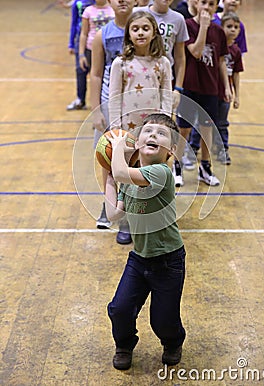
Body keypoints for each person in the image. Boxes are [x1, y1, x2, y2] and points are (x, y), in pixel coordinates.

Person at [105, 113, 186, 370]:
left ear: (171, 150)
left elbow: (120, 170)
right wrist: (109, 179)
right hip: (139, 259)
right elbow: (114, 215)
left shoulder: (162, 173)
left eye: (161, 134)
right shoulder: (129, 180)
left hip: (168, 260)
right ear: (138, 141)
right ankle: (124, 345)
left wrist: (116, 145)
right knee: (119, 308)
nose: (153, 135)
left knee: (163, 321)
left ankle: (173, 342)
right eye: (148, 131)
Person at [90, 0, 136, 243]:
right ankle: (113, 210)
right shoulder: (102, 34)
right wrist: (96, 109)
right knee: (109, 160)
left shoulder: (144, 28)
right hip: (111, 104)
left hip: (138, 107)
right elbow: (96, 74)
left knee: (134, 161)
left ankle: (134, 213)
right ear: (108, 0)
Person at [174, 0, 232, 187]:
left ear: (217, 6)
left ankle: (205, 168)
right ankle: (177, 165)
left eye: (212, 4)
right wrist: (204, 27)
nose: (207, 7)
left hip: (210, 86)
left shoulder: (219, 31)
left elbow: (222, 60)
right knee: (184, 129)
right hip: (190, 85)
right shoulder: (188, 25)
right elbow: (196, 52)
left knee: (207, 128)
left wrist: (226, 86)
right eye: (204, 2)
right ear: (196, 2)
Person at [136, 0, 189, 116]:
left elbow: (180, 57)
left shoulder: (178, 19)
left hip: (164, 79)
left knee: (162, 124)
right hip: (138, 78)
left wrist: (178, 88)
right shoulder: (138, 13)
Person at [109, 11, 173, 132]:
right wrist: (115, 128)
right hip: (127, 127)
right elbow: (114, 98)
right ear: (128, 35)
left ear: (154, 33)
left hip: (154, 128)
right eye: (135, 29)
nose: (140, 33)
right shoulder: (120, 63)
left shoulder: (163, 62)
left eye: (145, 28)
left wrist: (165, 123)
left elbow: (166, 96)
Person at [78, 0, 114, 98]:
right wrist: (81, 54)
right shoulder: (88, 11)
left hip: (109, 49)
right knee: (94, 76)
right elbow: (84, 33)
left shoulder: (113, 8)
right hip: (91, 49)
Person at [215, 12, 243, 164]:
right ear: (222, 28)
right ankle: (193, 149)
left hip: (226, 93)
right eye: (229, 26)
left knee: (222, 123)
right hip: (212, 91)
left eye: (236, 27)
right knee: (202, 122)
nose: (233, 30)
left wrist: (237, 95)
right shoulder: (216, 47)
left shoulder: (236, 51)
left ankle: (222, 150)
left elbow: (237, 74)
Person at [67, 0, 94, 111]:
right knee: (80, 70)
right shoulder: (78, 2)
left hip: (95, 42)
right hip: (81, 41)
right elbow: (73, 23)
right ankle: (80, 99)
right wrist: (71, 43)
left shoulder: (98, 2)